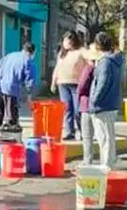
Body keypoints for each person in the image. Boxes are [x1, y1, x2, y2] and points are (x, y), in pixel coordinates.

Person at [88, 32, 123, 168]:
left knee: (104, 138)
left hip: (102, 105)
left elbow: (102, 83)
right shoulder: (114, 61)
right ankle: (110, 163)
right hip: (110, 103)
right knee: (108, 136)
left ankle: (107, 166)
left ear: (98, 45)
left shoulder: (105, 62)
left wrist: (94, 100)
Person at [0, 42, 37, 132]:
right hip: (11, 89)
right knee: (11, 116)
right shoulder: (28, 61)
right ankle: (11, 135)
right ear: (32, 52)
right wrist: (29, 97)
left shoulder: (10, 55)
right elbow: (30, 81)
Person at [51, 31, 87, 140]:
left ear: (74, 41)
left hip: (77, 84)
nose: (68, 43)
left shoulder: (81, 51)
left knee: (77, 110)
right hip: (63, 84)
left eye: (70, 40)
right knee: (67, 109)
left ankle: (82, 131)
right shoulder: (62, 53)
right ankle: (69, 131)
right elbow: (57, 68)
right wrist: (54, 82)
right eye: (66, 40)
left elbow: (89, 66)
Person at [77, 46, 98, 165]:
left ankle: (87, 161)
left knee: (87, 136)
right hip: (100, 106)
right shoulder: (102, 67)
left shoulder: (89, 68)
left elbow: (81, 86)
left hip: (86, 104)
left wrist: (78, 98)